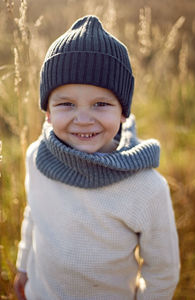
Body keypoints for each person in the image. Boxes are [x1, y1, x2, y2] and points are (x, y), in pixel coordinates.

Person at [14, 15, 180, 300]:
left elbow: (162, 271)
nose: (83, 119)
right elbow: (34, 215)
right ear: (48, 112)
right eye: (66, 104)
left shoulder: (146, 188)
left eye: (101, 104)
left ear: (123, 112)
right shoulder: (38, 157)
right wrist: (23, 267)